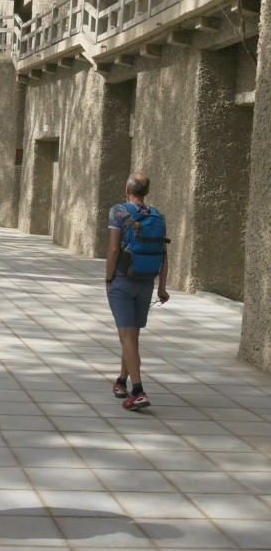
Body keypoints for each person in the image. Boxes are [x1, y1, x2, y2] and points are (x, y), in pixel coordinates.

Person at [105, 172, 169, 411]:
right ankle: (122, 382)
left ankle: (138, 390)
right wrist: (162, 287)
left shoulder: (118, 212)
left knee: (126, 336)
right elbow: (164, 254)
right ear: (146, 192)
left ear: (127, 188)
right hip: (146, 282)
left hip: (123, 279)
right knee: (133, 335)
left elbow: (113, 250)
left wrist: (109, 279)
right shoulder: (157, 215)